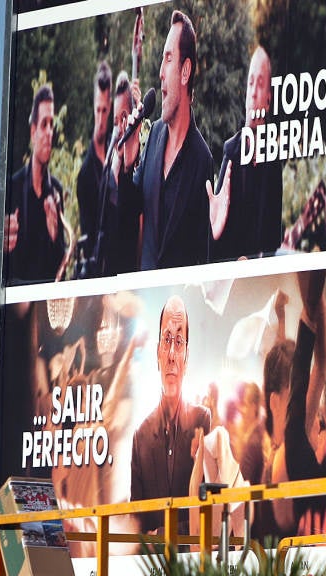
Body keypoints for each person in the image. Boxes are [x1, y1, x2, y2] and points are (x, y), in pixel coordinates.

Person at [120, 9, 212, 270]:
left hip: (179, 307)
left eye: (168, 59)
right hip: (144, 304)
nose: (160, 71)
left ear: (185, 72)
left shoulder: (202, 159)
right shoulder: (155, 136)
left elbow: (202, 260)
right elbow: (129, 218)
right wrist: (127, 166)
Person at [130, 295, 212, 535]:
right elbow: (136, 528)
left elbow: (207, 512)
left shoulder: (202, 421)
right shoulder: (140, 437)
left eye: (179, 341)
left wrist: (162, 535)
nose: (172, 355)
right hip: (150, 569)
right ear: (157, 352)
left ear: (187, 357)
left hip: (193, 566)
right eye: (167, 340)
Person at [207, 45, 283, 261]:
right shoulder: (232, 150)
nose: (254, 92)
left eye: (260, 84)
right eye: (250, 84)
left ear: (268, 99)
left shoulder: (273, 159)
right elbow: (215, 240)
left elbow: (272, 242)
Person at [6, 85, 68, 284]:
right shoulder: (12, 189)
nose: (50, 132)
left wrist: (54, 236)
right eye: (44, 125)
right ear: (33, 132)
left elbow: (61, 272)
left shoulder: (56, 191)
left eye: (52, 124)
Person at [95, 72, 144, 275]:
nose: (119, 127)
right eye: (116, 121)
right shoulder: (108, 170)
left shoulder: (141, 166)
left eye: (124, 117)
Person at [76, 61, 113, 276]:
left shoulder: (116, 152)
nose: (100, 118)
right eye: (97, 110)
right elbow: (88, 241)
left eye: (105, 110)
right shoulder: (85, 175)